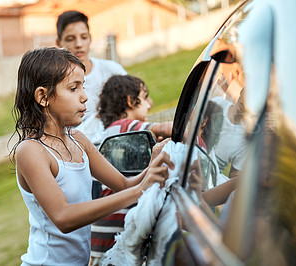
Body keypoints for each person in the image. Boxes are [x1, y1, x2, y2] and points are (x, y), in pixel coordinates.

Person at [10, 47, 174, 266]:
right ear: (43, 96)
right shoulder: (31, 151)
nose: (85, 97)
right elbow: (63, 217)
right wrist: (139, 190)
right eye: (73, 88)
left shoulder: (79, 140)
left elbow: (123, 184)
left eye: (83, 87)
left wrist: (151, 167)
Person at [89, 74, 172, 264]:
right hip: (114, 239)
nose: (150, 103)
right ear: (130, 101)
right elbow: (167, 128)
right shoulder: (123, 126)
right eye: (145, 96)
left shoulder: (119, 136)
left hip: (101, 238)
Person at [56, 10, 127, 146]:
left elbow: (140, 101)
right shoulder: (57, 83)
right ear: (59, 43)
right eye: (70, 39)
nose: (78, 44)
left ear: (90, 38)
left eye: (83, 37)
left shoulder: (112, 70)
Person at [98, 74, 172, 140]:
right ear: (131, 101)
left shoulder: (112, 131)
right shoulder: (126, 126)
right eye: (145, 97)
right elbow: (164, 128)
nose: (149, 106)